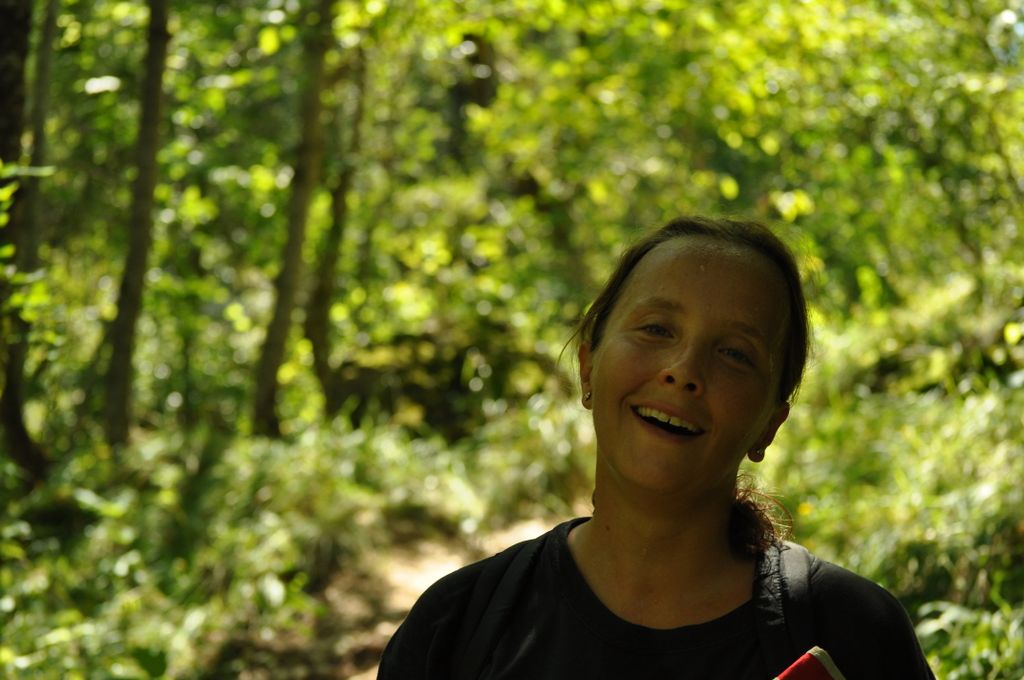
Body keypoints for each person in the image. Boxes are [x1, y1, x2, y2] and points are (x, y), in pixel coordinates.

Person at [377, 216, 935, 679]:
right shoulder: (457, 627)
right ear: (588, 366)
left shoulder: (853, 635)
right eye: (656, 329)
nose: (683, 371)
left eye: (735, 354)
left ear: (770, 423)